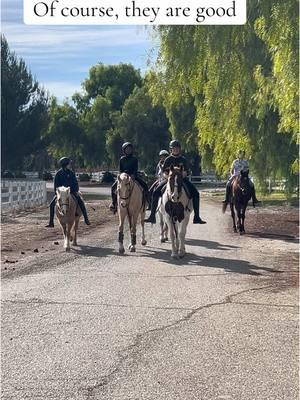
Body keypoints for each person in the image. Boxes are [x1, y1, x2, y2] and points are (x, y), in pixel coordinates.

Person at [144, 140, 207, 224]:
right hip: (169, 180)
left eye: (177, 148)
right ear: (171, 150)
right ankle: (152, 216)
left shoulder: (183, 159)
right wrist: (168, 177)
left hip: (182, 180)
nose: (176, 150)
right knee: (155, 192)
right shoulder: (168, 160)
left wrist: (183, 174)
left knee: (196, 193)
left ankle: (196, 217)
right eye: (174, 148)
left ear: (179, 149)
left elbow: (187, 171)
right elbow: (164, 172)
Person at [45, 157, 90, 227]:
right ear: (65, 164)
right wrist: (58, 193)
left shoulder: (71, 173)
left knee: (80, 201)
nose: (70, 165)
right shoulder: (58, 174)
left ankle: (86, 219)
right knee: (51, 205)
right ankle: (51, 222)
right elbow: (56, 186)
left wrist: (75, 190)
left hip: (71, 192)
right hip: (61, 194)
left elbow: (75, 183)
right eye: (69, 163)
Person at [109, 142, 149, 213]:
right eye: (127, 149)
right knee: (113, 187)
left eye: (130, 149)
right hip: (123, 177)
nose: (128, 150)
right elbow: (120, 170)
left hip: (133, 176)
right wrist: (122, 175)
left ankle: (148, 202)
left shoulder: (134, 159)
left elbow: (135, 169)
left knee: (145, 185)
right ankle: (114, 203)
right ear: (124, 150)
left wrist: (133, 175)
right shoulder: (121, 159)